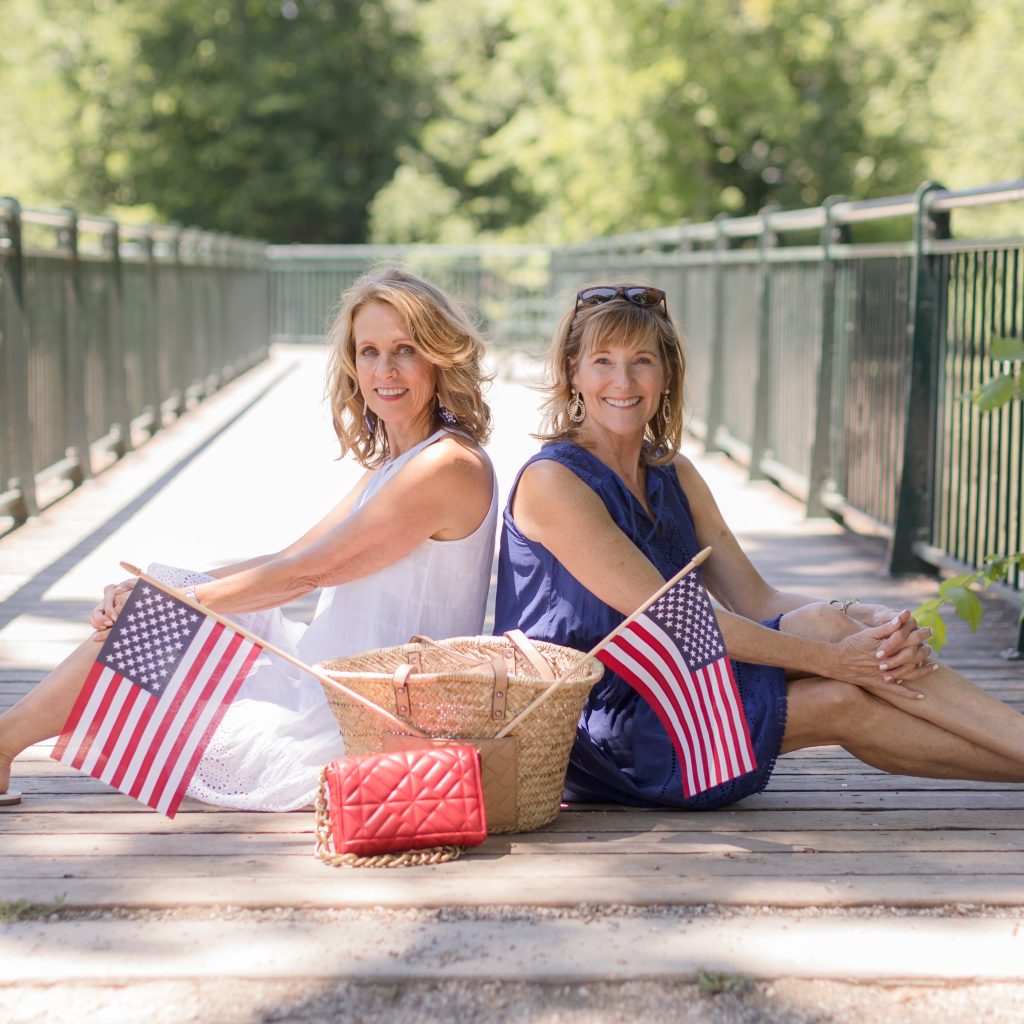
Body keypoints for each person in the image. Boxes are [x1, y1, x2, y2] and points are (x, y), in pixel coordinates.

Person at [494, 283, 1024, 809]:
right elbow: (680, 621)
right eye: (602, 361)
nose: (623, 381)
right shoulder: (554, 483)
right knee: (838, 686)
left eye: (642, 361)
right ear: (572, 372)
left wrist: (864, 617)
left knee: (835, 645)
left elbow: (756, 599)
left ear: (667, 373)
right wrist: (835, 659)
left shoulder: (673, 472)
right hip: (602, 723)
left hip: (678, 683)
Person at [0, 267, 498, 811]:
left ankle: (3, 743)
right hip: (338, 683)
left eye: (405, 349)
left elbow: (312, 573)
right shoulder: (399, 462)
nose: (384, 369)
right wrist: (154, 590)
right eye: (369, 351)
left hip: (373, 720)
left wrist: (175, 606)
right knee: (164, 590)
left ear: (439, 355)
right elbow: (290, 556)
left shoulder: (448, 464)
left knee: (166, 613)